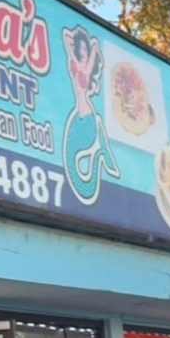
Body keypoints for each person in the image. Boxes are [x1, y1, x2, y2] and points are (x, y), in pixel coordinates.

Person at [62, 25, 120, 205]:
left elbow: (93, 49)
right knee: (98, 124)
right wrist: (84, 45)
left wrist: (90, 45)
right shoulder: (77, 65)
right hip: (81, 121)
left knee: (99, 122)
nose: (84, 53)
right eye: (81, 49)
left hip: (85, 117)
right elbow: (65, 36)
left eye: (84, 50)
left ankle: (103, 153)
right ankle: (103, 153)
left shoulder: (84, 68)